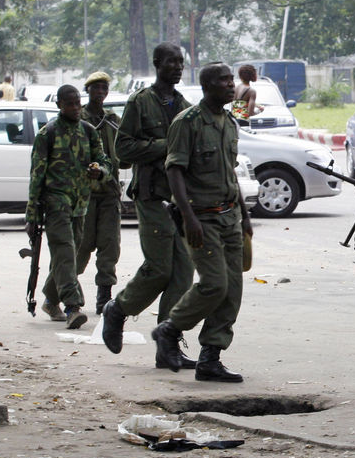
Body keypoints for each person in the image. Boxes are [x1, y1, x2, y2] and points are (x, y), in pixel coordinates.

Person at [151, 62, 252, 382]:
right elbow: (174, 170)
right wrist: (189, 217)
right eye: (223, 80)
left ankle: (211, 357)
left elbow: (229, 170)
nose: (230, 85)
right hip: (201, 219)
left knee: (232, 290)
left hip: (230, 217)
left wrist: (245, 213)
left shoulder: (229, 122)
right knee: (214, 284)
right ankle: (169, 330)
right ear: (207, 85)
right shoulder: (188, 123)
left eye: (231, 80)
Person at [101, 42, 196, 368]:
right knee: (159, 268)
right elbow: (123, 150)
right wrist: (163, 145)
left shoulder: (184, 105)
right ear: (157, 64)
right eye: (171, 61)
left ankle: (167, 344)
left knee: (183, 272)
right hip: (151, 195)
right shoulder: (141, 102)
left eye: (181, 62)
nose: (177, 67)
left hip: (179, 199)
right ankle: (118, 309)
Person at [26, 85, 111, 329]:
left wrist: (100, 171)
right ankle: (73, 306)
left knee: (73, 257)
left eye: (78, 103)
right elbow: (37, 176)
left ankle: (50, 299)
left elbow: (104, 161)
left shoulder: (88, 131)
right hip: (55, 202)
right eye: (70, 104)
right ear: (59, 105)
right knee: (64, 251)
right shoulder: (48, 134)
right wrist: (31, 215)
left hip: (80, 203)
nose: (76, 108)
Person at [76, 72, 123, 315]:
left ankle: (103, 299)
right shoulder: (80, 118)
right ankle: (64, 293)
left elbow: (122, 153)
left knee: (110, 246)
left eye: (104, 88)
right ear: (89, 91)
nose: (101, 92)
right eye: (96, 88)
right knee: (81, 247)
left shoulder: (112, 119)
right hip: (85, 193)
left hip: (109, 191)